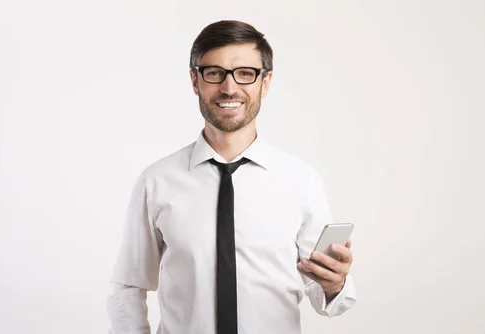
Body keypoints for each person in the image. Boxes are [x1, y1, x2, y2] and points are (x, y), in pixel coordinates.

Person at [107, 20, 357, 334]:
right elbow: (129, 285)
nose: (229, 87)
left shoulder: (301, 182)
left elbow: (324, 296)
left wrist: (335, 284)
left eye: (245, 73)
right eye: (214, 73)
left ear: (265, 83)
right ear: (195, 81)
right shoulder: (156, 182)